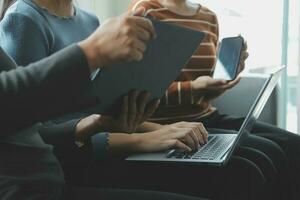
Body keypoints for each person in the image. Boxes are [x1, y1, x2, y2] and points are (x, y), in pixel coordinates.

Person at [0, 0, 289, 200]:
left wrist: (154, 130)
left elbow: (107, 111)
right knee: (244, 171)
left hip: (101, 142)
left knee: (258, 159)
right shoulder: (23, 20)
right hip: (82, 160)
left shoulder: (89, 20)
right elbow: (38, 132)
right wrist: (149, 137)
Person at [126, 0, 300, 199]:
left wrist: (221, 82)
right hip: (166, 124)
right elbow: (136, 92)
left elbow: (207, 87)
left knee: (294, 144)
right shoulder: (147, 11)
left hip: (207, 116)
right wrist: (193, 88)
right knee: (269, 154)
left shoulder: (208, 17)